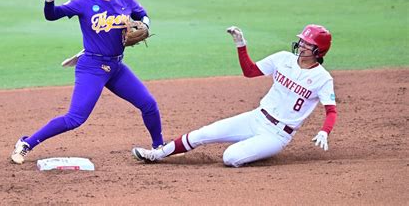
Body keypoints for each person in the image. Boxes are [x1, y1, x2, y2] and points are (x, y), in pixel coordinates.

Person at [11, 0, 164, 164]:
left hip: (116, 67)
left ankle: (159, 147)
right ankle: (26, 144)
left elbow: (142, 15)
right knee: (75, 118)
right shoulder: (84, 4)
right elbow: (52, 15)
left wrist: (145, 23)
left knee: (149, 104)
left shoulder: (127, 0)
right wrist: (49, 0)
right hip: (92, 67)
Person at [132, 24, 338, 167]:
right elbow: (250, 71)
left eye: (307, 43)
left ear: (319, 50)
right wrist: (241, 45)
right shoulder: (283, 58)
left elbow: (331, 111)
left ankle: (257, 150)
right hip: (256, 117)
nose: (301, 45)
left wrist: (324, 131)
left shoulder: (322, 78)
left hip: (277, 135)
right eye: (301, 41)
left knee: (230, 157)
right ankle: (157, 154)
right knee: (203, 133)